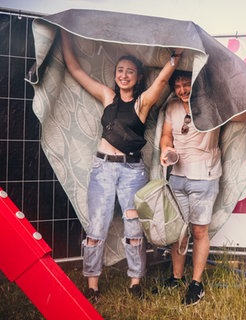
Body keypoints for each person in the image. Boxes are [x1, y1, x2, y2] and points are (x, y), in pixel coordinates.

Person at [60, 30, 182, 301]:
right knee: (97, 227)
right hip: (102, 169)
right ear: (115, 74)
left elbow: (162, 80)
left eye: (129, 71)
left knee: (134, 228)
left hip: (132, 172)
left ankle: (135, 283)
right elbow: (75, 70)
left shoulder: (142, 103)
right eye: (120, 70)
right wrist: (64, 36)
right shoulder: (107, 97)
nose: (123, 75)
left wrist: (176, 57)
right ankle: (92, 286)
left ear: (138, 78)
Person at [158, 70, 246, 305]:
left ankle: (196, 284)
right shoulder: (172, 107)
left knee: (199, 231)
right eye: (177, 86)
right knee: (178, 232)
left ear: (196, 85)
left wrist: (226, 89)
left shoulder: (211, 104)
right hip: (177, 176)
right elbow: (166, 135)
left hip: (205, 176)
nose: (182, 90)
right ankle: (176, 278)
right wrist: (165, 150)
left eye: (186, 84)